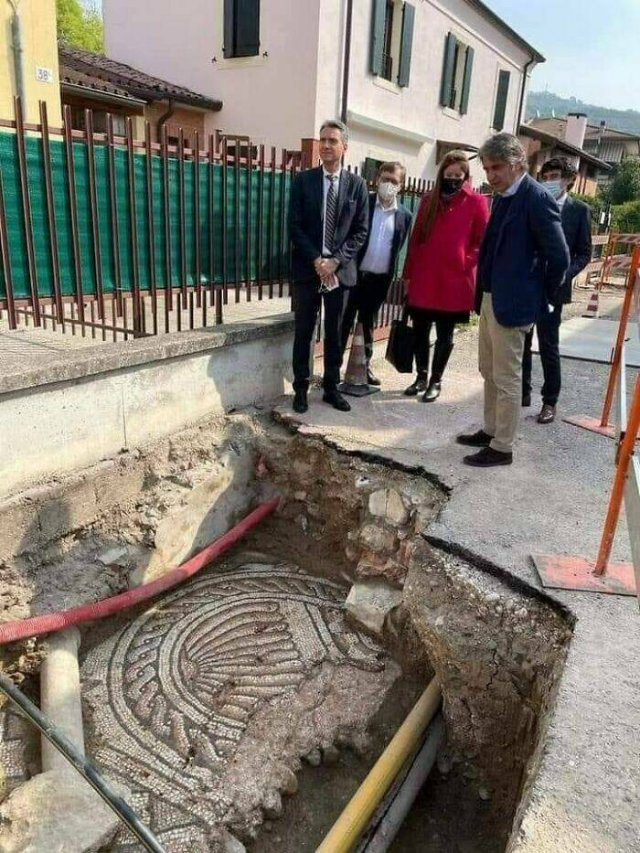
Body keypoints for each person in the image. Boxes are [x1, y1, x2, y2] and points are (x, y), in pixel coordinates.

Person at [457, 133, 570, 467]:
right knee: (488, 370)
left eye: (497, 167)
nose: (491, 175)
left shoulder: (536, 198)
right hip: (492, 298)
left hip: (515, 304)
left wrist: (541, 295)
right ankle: (491, 429)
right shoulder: (504, 196)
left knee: (507, 378)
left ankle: (502, 447)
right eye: (487, 169)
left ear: (518, 163)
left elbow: (560, 257)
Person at [289, 119, 369, 414]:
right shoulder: (303, 181)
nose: (325, 145)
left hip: (340, 272)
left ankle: (331, 388)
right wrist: (317, 260)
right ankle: (300, 387)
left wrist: (335, 261)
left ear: (344, 147)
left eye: (332, 140)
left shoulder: (357, 185)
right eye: (322, 140)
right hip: (308, 269)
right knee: (304, 330)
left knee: (336, 332)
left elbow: (360, 231)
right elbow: (295, 226)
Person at [401, 151, 489, 402]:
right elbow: (416, 239)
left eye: (457, 175)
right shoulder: (429, 200)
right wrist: (408, 274)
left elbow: (482, 241)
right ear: (442, 174)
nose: (452, 179)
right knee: (420, 330)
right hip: (425, 277)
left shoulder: (477, 202)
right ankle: (421, 376)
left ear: (465, 176)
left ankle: (436, 380)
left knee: (445, 333)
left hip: (454, 280)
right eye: (448, 174)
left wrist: (465, 261)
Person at [522, 157, 592, 424]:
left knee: (548, 344)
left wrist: (566, 273)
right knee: (521, 341)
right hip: (527, 284)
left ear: (569, 180)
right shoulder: (534, 203)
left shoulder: (579, 211)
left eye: (555, 177)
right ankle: (522, 392)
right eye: (546, 176)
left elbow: (584, 253)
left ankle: (549, 401)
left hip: (555, 289)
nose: (549, 181)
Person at [340, 162, 412, 386]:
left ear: (401, 185)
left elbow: (397, 246)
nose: (388, 184)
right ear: (377, 179)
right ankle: (333, 366)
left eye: (394, 181)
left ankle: (365, 365)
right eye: (385, 179)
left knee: (368, 323)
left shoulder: (405, 215)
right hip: (354, 276)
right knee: (344, 321)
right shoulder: (364, 204)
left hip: (380, 279)